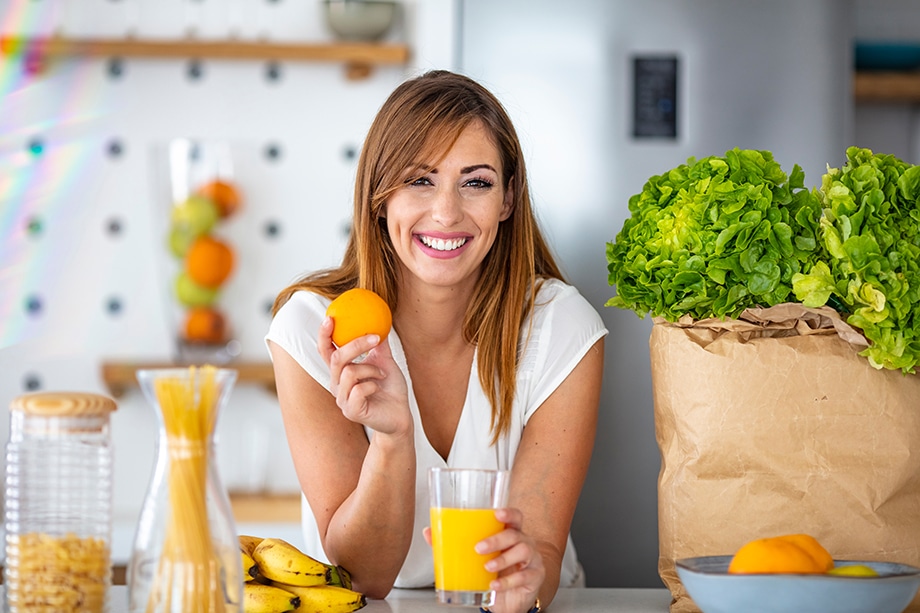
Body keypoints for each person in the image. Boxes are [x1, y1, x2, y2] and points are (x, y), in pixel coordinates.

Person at [265, 69, 607, 613]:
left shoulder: (560, 327)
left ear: (508, 199)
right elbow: (363, 578)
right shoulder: (311, 327)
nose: (446, 212)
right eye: (419, 180)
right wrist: (394, 439)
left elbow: (538, 547)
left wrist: (523, 587)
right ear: (379, 196)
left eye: (476, 182)